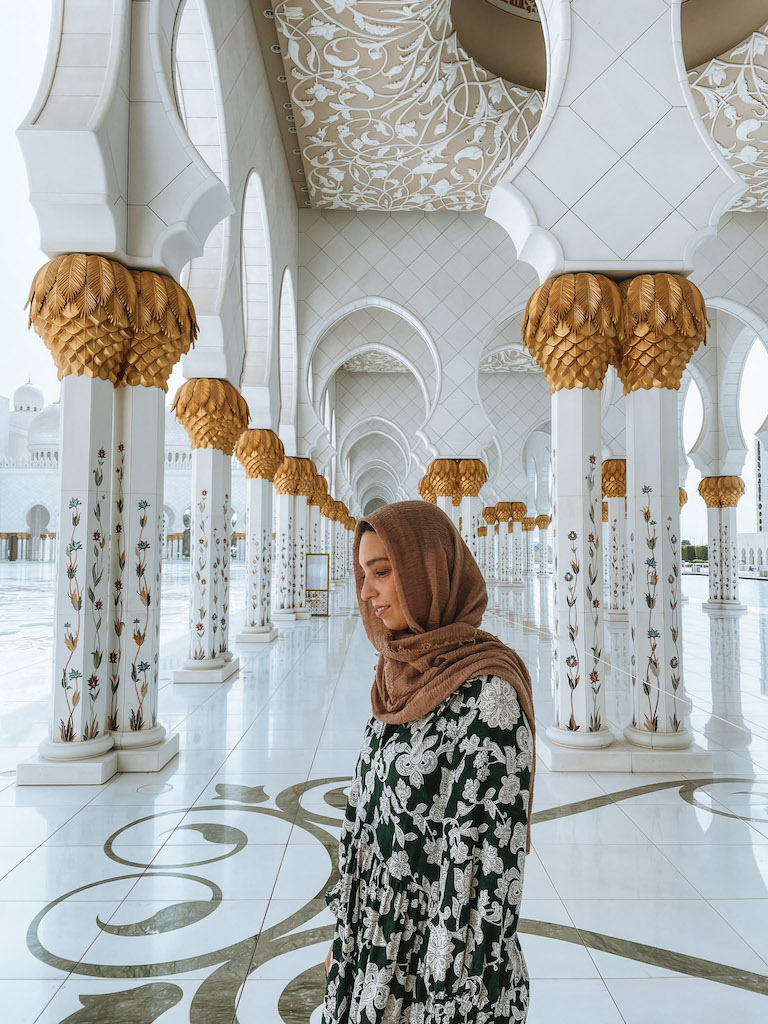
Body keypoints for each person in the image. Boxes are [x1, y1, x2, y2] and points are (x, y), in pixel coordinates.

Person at [322, 500, 535, 1024]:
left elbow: (486, 877)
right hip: (370, 952)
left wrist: (441, 999)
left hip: (439, 979)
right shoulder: (396, 674)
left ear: (429, 573)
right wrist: (346, 937)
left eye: (383, 572)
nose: (366, 591)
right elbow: (366, 823)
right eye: (362, 574)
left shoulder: (490, 696)